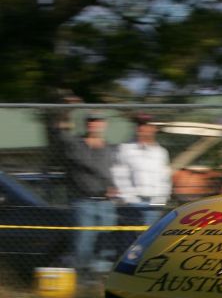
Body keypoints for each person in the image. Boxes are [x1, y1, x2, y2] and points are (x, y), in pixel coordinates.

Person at [63, 112, 118, 273]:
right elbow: (87, 166)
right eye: (90, 121)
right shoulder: (76, 144)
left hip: (107, 203)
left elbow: (114, 171)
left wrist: (113, 187)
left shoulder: (109, 148)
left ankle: (100, 278)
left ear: (104, 125)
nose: (93, 124)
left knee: (105, 242)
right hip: (83, 201)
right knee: (83, 242)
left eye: (97, 121)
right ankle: (81, 278)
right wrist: (108, 184)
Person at [111, 113, 172, 226]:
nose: (141, 128)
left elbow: (165, 178)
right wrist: (129, 199)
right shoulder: (125, 149)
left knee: (150, 240)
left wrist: (161, 200)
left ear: (153, 129)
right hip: (133, 204)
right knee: (131, 240)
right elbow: (119, 177)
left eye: (145, 125)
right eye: (139, 125)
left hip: (154, 205)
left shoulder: (161, 152)